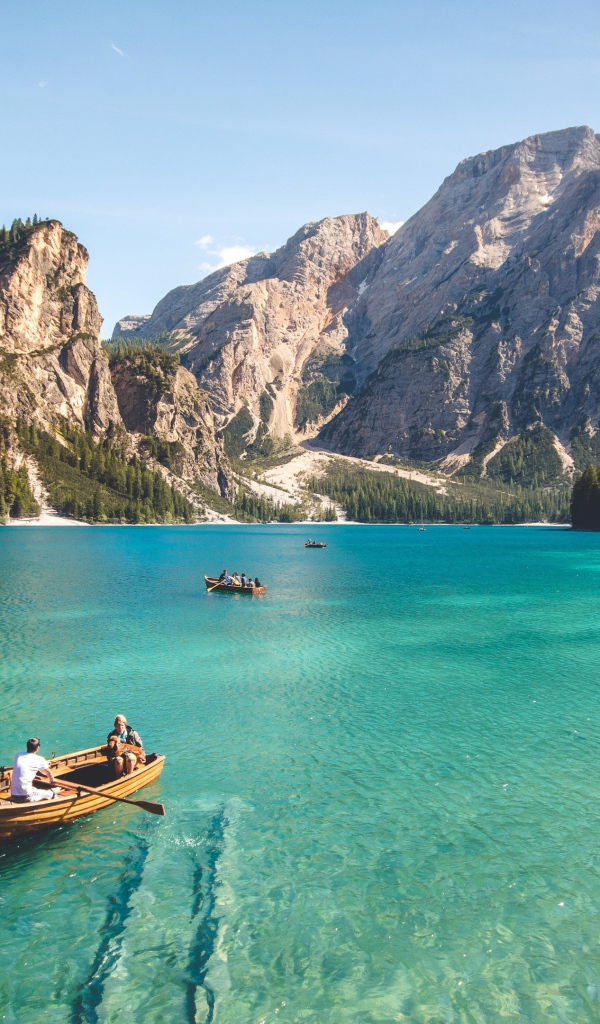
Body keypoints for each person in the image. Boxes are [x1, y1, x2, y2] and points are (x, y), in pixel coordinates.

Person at [10, 737, 58, 802]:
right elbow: (47, 772)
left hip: (13, 794)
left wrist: (44, 763)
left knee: (34, 788)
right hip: (26, 796)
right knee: (52, 795)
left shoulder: (18, 755)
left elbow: (28, 762)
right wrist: (52, 780)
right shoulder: (40, 759)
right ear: (37, 748)